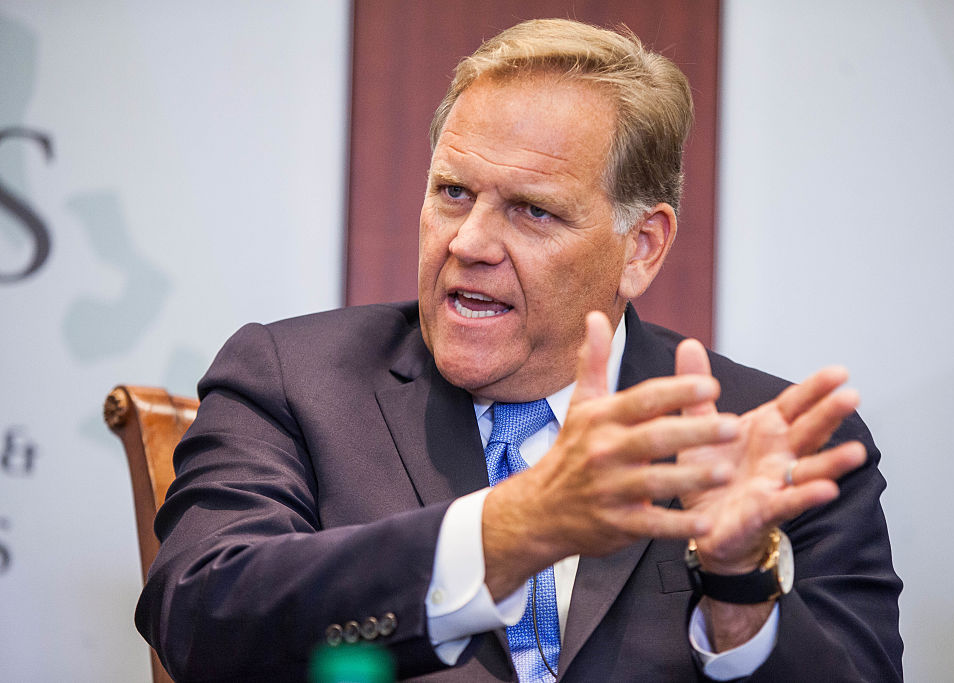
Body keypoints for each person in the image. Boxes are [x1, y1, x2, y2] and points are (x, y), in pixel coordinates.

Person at [137, 19, 903, 682]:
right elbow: (202, 616)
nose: (469, 243)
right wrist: (516, 526)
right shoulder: (295, 380)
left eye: (532, 211)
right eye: (453, 193)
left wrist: (741, 590)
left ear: (641, 246)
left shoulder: (769, 440)